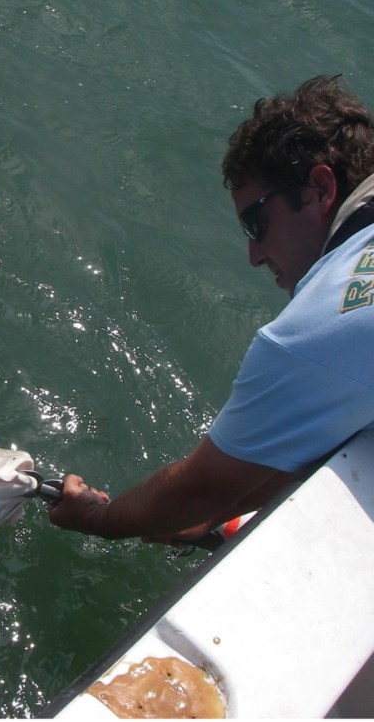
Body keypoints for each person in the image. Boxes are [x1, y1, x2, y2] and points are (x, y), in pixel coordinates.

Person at [49, 75, 374, 544]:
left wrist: (99, 519)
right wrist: (207, 520)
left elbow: (201, 488)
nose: (254, 256)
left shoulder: (321, 328)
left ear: (320, 189)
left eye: (255, 223)